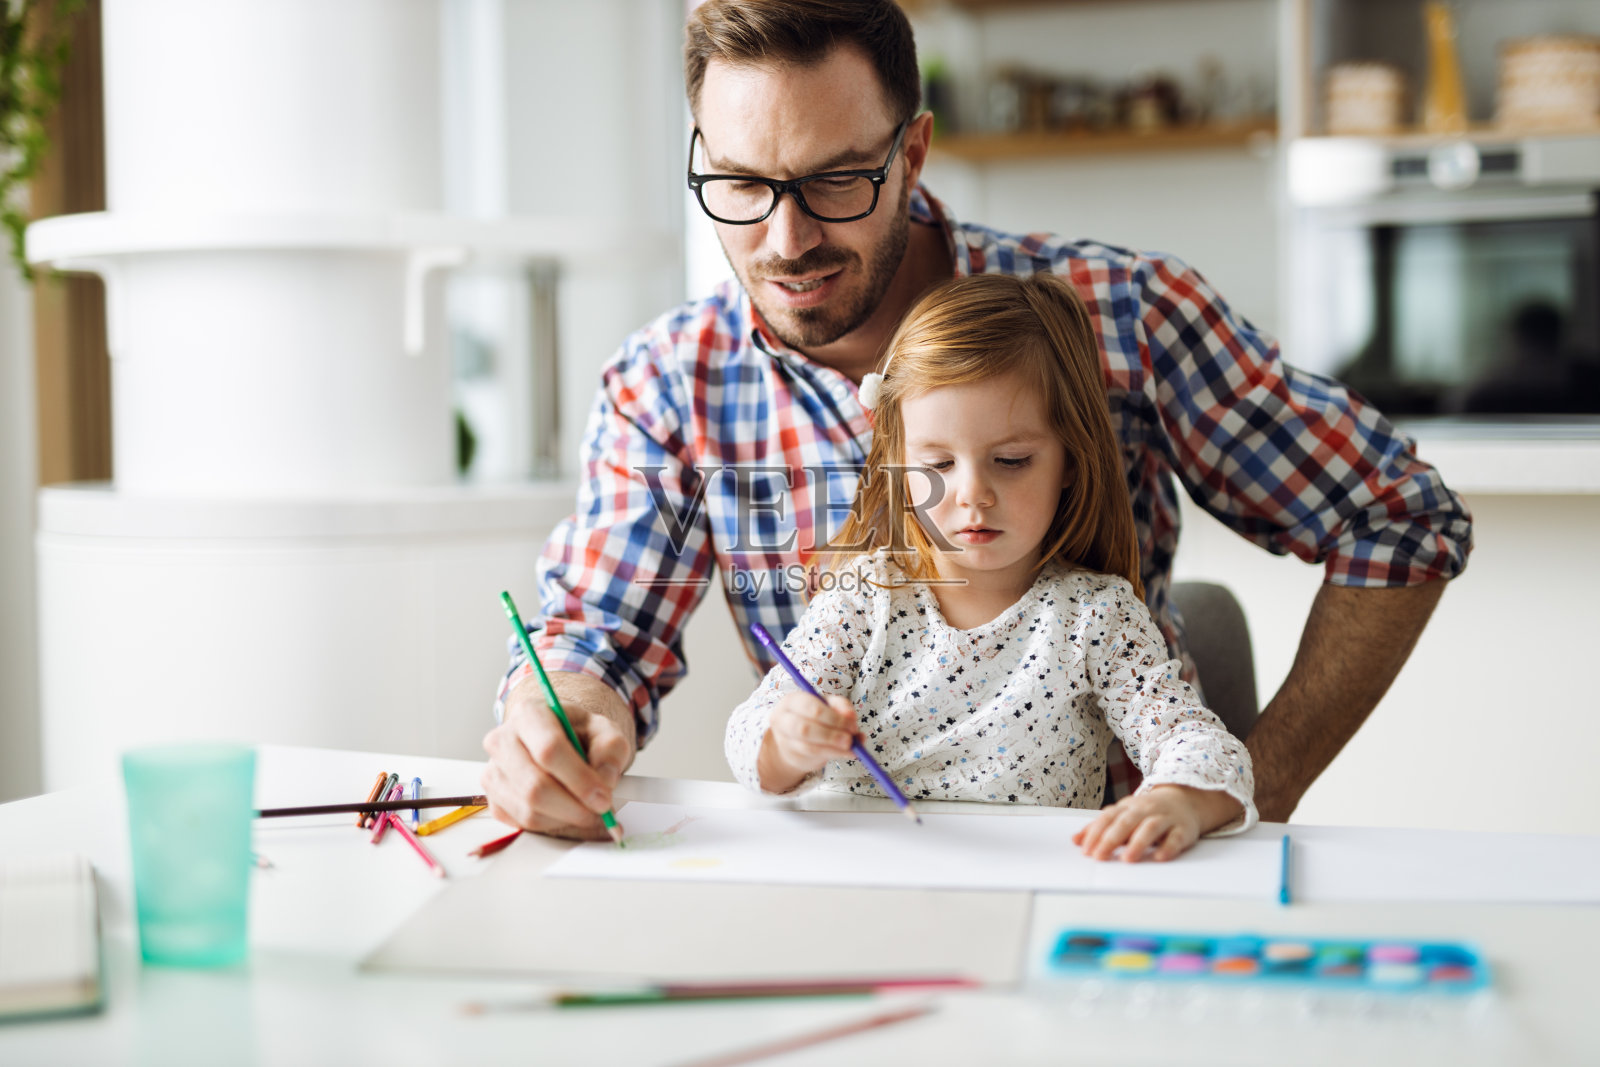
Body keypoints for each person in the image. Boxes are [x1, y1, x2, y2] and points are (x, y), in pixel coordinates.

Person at [479, 0, 1471, 840]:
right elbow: (596, 640)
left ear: (912, 150)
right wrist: (557, 713)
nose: (783, 240)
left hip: (1101, 865)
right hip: (855, 868)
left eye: (833, 180)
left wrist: (1255, 787)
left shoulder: (1118, 311)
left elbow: (1398, 516)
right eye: (739, 183)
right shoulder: (667, 383)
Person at [726, 274, 1257, 861]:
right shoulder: (862, 600)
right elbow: (750, 739)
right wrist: (787, 742)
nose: (973, 494)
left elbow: (1201, 744)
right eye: (938, 463)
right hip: (863, 884)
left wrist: (1180, 799)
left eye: (1010, 461)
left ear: (1071, 460)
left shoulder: (1096, 619)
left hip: (1030, 891)